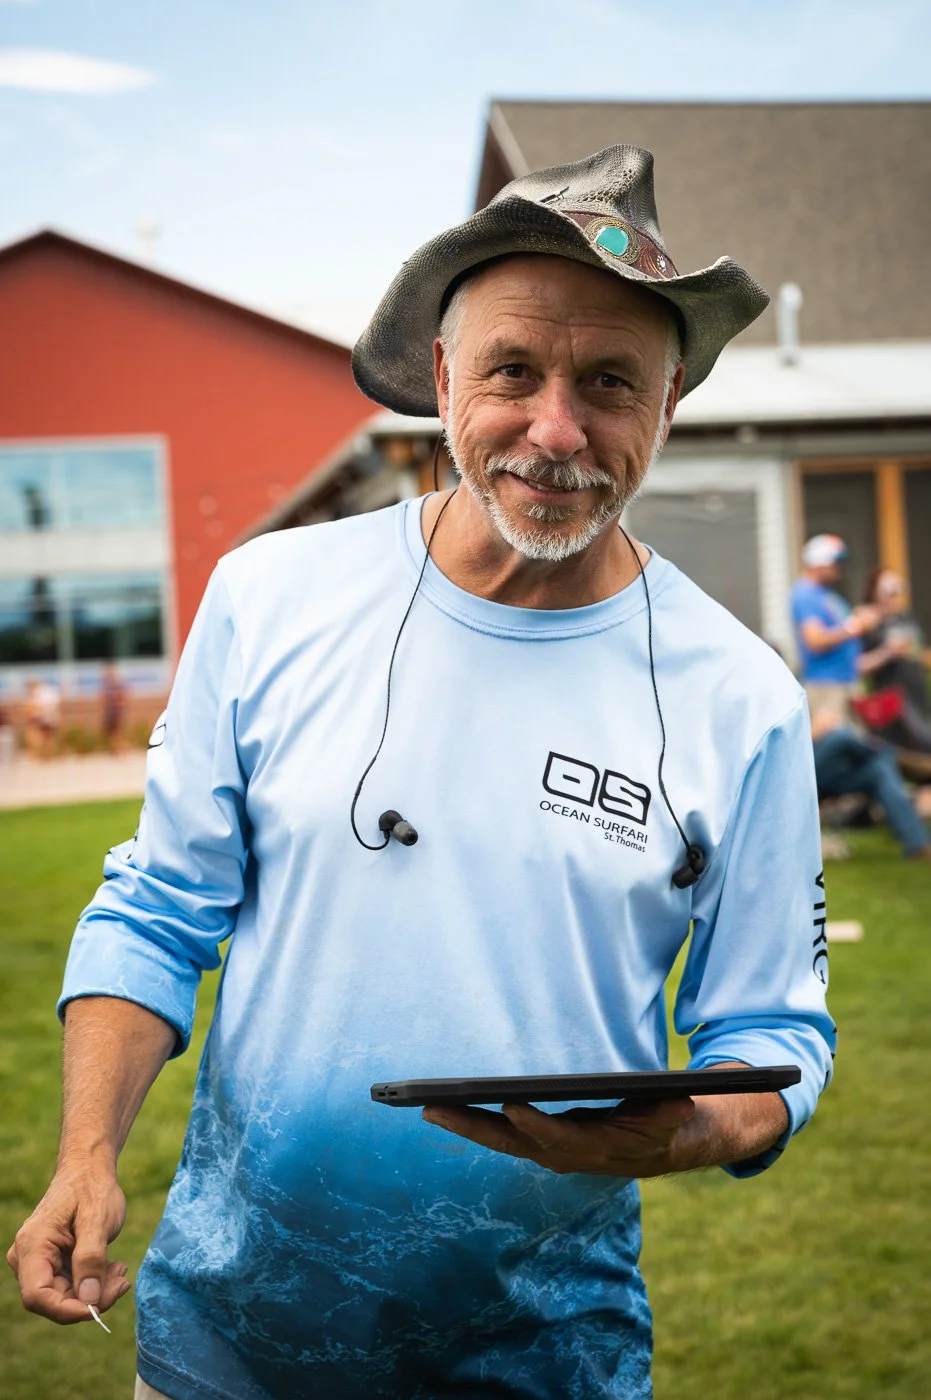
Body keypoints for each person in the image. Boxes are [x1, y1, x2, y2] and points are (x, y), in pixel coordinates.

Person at [9, 146, 836, 1400]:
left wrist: (687, 1130)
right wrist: (84, 1155)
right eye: (513, 370)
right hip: (228, 1346)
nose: (555, 430)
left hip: (542, 1353)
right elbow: (157, 905)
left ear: (669, 400)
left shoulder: (743, 699)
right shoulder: (272, 595)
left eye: (610, 381)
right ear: (443, 377)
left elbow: (774, 1027)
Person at [858, 567, 931, 757]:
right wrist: (887, 652)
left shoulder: (904, 617)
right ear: (875, 593)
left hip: (916, 697)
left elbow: (919, 652)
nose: (893, 597)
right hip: (892, 702)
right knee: (922, 742)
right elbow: (858, 665)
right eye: (888, 592)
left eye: (897, 591)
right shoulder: (869, 623)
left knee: (915, 752)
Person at [100, 663, 128, 755]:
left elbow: (122, 698)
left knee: (117, 732)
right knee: (111, 732)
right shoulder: (107, 685)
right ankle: (116, 749)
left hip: (116, 712)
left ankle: (119, 749)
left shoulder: (117, 684)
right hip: (111, 712)